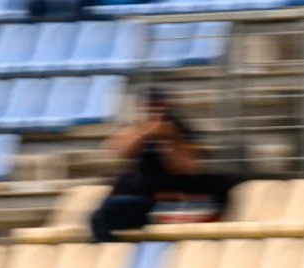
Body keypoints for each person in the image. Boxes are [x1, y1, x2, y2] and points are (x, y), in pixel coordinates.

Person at [91, 91, 231, 242]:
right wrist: (145, 133)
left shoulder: (178, 131)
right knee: (102, 214)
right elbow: (120, 150)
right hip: (145, 198)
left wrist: (169, 139)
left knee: (106, 213)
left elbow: (188, 167)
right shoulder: (141, 130)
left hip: (166, 200)